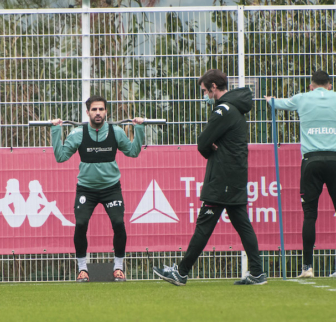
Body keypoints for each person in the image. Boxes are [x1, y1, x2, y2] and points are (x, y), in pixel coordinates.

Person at [153, 69, 267, 286]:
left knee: (204, 225)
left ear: (214, 87)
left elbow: (203, 142)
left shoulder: (223, 110)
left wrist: (210, 149)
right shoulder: (236, 109)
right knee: (243, 224)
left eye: (205, 90)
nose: (205, 94)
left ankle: (181, 272)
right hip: (234, 175)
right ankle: (258, 273)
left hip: (222, 177)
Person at [50, 95, 145, 282]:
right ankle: (82, 269)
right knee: (81, 224)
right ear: (87, 113)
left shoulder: (116, 132)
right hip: (86, 189)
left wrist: (139, 128)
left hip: (111, 189)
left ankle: (118, 267)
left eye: (101, 109)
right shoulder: (78, 133)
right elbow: (60, 157)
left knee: (118, 223)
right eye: (94, 109)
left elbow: (133, 152)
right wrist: (55, 130)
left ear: (106, 111)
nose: (98, 113)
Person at [265, 70, 336, 278]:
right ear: (330, 85)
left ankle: (307, 268)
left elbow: (277, 103)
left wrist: (269, 99)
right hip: (334, 160)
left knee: (310, 215)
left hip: (311, 161)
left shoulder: (302, 98)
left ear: (311, 86)